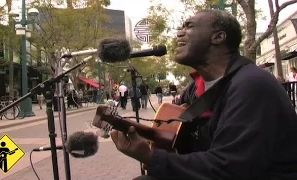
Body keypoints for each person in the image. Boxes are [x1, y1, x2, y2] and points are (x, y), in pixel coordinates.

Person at [110, 9, 297, 180]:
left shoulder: (252, 86)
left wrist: (152, 157)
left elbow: (230, 169)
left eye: (188, 26)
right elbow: (174, 132)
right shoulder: (195, 88)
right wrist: (147, 137)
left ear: (218, 37)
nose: (179, 33)